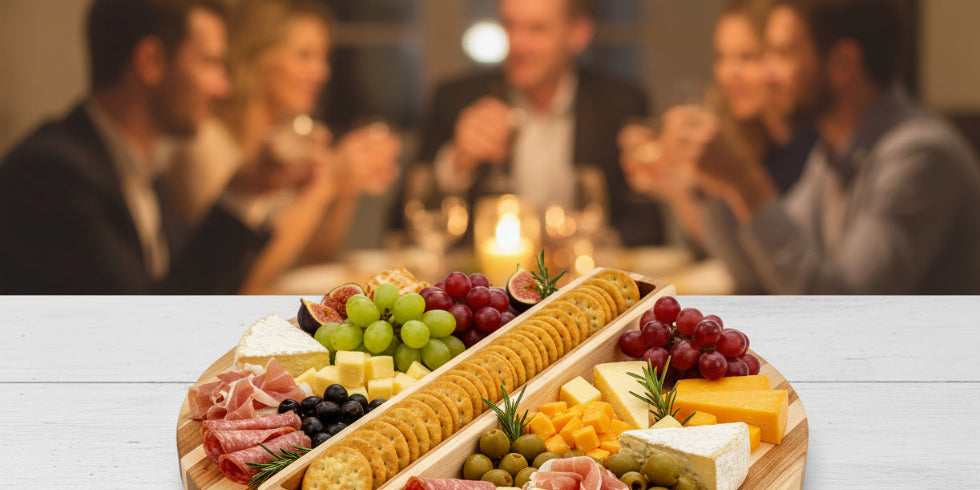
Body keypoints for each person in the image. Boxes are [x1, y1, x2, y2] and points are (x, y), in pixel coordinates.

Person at [654, 0, 980, 294]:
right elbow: (762, 276)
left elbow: (840, 303)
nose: (766, 73)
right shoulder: (835, 149)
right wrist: (721, 185)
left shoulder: (920, 157)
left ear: (842, 63)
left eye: (781, 53)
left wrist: (747, 181)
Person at [0, 0, 314, 295]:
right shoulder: (53, 175)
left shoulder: (139, 164)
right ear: (151, 61)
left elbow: (184, 286)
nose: (223, 87)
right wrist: (238, 196)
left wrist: (247, 189)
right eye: (210, 62)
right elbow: (148, 320)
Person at [166, 0, 401, 294]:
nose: (322, 72)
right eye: (304, 55)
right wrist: (326, 184)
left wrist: (346, 185)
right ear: (256, 57)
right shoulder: (203, 142)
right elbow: (242, 277)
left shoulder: (294, 138)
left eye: (323, 57)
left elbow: (316, 255)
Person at [405, 0, 664, 248]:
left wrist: (589, 246)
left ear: (578, 33)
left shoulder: (619, 102)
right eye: (510, 25)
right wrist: (458, 160)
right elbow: (400, 223)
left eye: (537, 29)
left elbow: (647, 226)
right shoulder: (457, 98)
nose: (518, 44)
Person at [620, 0, 818, 293]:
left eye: (747, 57)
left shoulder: (811, 149)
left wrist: (728, 179)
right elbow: (737, 265)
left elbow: (775, 281)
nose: (728, 73)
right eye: (722, 57)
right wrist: (680, 183)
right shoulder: (753, 138)